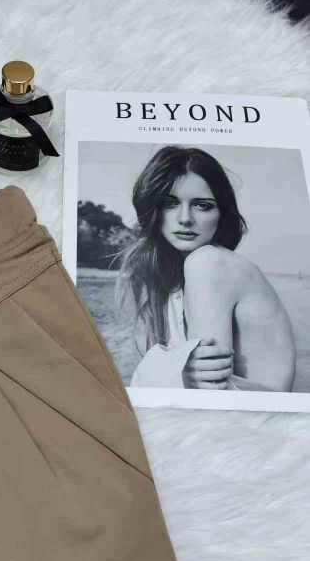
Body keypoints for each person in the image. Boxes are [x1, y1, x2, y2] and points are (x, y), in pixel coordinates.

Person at [113, 145, 296, 391]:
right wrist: (178, 368)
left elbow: (210, 390)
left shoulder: (208, 262)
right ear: (153, 210)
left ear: (221, 213)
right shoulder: (181, 276)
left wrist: (172, 368)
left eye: (202, 205)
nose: (185, 218)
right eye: (169, 203)